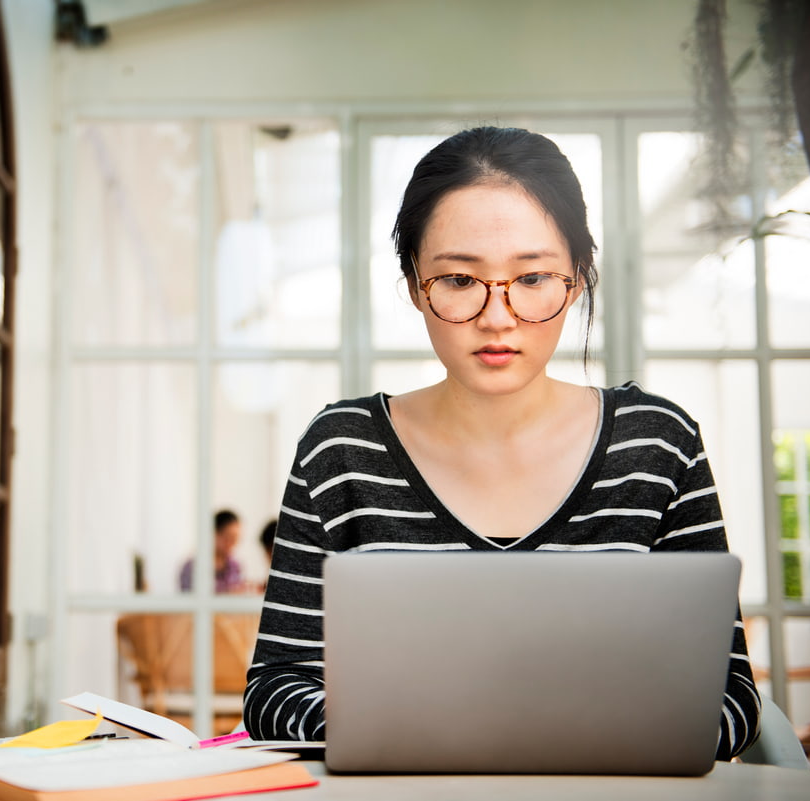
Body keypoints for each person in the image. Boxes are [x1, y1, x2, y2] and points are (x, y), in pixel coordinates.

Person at [242, 126, 761, 761]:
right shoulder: (341, 450)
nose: (497, 316)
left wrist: (477, 723)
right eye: (460, 280)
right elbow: (274, 692)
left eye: (533, 277)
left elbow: (731, 700)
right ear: (414, 286)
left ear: (575, 280)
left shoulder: (657, 444)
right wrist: (491, 724)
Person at [179, 509, 246, 593]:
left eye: (235, 539)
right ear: (214, 533)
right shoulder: (191, 567)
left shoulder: (235, 566)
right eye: (228, 537)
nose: (232, 544)